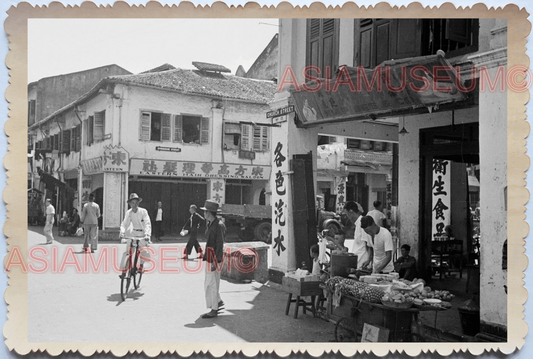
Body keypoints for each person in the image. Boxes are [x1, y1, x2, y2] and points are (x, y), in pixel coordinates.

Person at [200, 200, 225, 319]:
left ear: (209, 213)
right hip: (210, 256)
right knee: (210, 283)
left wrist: (216, 261)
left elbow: (219, 244)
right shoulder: (211, 223)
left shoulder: (218, 225)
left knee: (212, 284)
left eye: (205, 212)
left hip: (215, 258)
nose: (204, 214)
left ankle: (214, 309)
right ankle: (218, 301)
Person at [119, 193, 152, 278]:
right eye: (132, 203)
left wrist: (147, 234)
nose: (134, 205)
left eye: (136, 202)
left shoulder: (143, 211)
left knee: (143, 251)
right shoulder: (129, 213)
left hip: (143, 234)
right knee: (128, 252)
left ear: (138, 203)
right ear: (130, 204)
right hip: (133, 233)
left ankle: (141, 266)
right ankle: (124, 271)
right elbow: (124, 223)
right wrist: (122, 232)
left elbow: (147, 223)